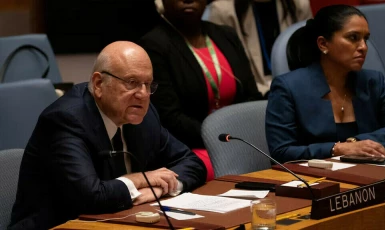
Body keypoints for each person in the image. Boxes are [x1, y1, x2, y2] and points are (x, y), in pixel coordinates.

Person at [8, 41, 206, 230]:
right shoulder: (65, 121)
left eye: (148, 85)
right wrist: (142, 179)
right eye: (132, 82)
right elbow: (91, 197)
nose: (143, 94)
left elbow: (192, 163)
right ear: (98, 84)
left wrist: (160, 189)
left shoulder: (143, 116)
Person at [140, 0, 262, 181]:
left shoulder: (227, 35)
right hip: (192, 147)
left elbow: (252, 96)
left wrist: (240, 137)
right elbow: (170, 118)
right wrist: (222, 138)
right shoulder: (153, 45)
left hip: (239, 141)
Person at [265, 5, 385, 163]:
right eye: (353, 37)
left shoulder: (373, 81)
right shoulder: (287, 88)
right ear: (323, 44)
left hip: (370, 172)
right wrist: (338, 149)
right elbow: (281, 151)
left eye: (366, 39)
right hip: (314, 180)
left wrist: (354, 144)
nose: (364, 47)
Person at [205, 0, 312, 96]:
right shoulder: (222, 11)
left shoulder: (299, 4)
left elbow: (312, 60)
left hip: (297, 90)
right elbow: (227, 73)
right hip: (253, 95)